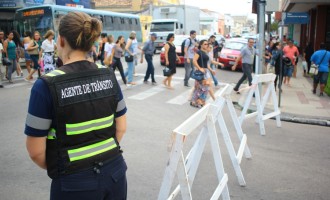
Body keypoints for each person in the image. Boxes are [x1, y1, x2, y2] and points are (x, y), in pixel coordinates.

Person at [25, 11, 128, 199]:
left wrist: (67, 165)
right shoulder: (108, 74)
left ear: (61, 40)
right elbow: (121, 128)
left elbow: (35, 151)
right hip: (115, 173)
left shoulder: (46, 85)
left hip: (73, 181)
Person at [191, 40, 215, 107]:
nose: (206, 45)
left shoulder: (205, 52)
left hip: (205, 71)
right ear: (201, 45)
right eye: (205, 44)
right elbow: (194, 61)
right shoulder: (199, 52)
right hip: (200, 72)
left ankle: (199, 101)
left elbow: (206, 63)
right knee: (202, 87)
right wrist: (199, 68)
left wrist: (211, 70)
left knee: (204, 87)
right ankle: (198, 101)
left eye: (207, 44)